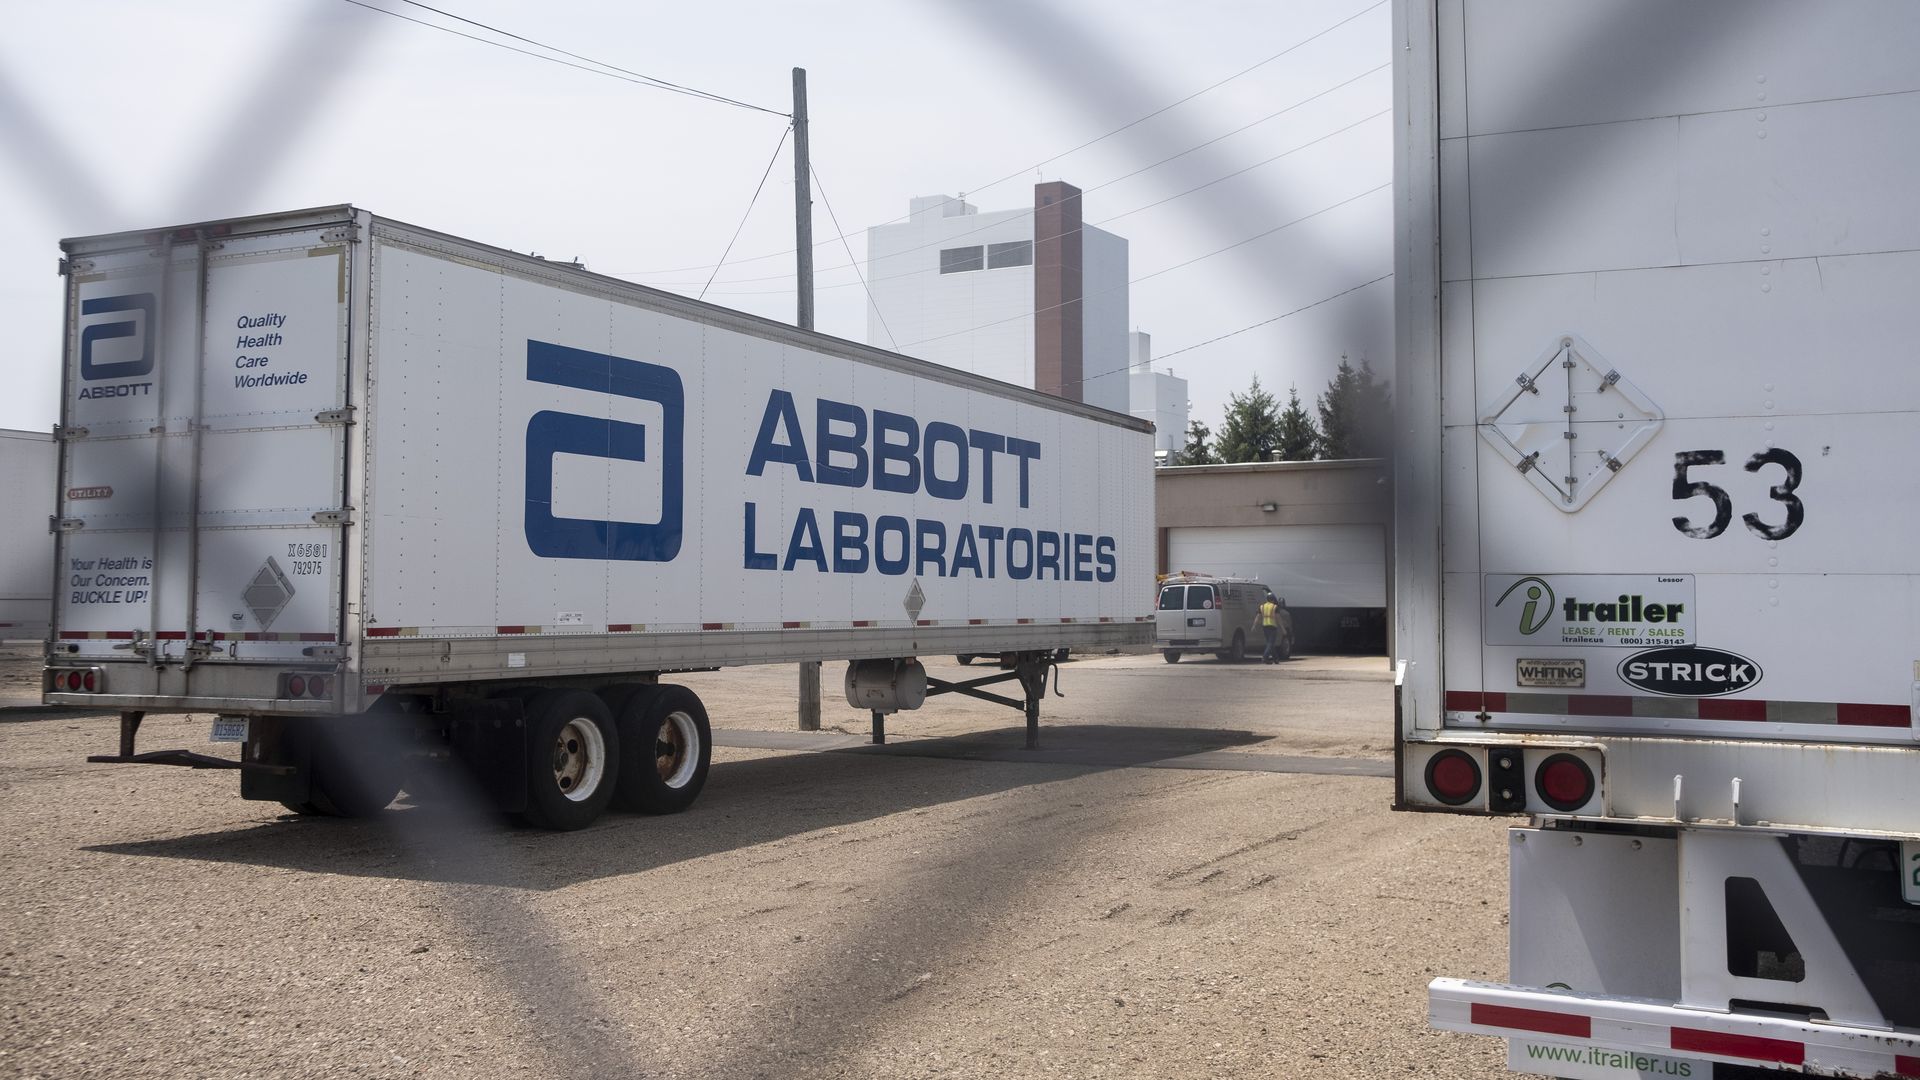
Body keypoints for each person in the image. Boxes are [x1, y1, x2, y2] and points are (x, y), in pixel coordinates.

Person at [1259, 592, 1281, 664]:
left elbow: (1257, 617)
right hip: (1272, 626)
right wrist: (1283, 628)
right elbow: (1278, 618)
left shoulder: (1262, 606)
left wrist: (1254, 625)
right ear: (1273, 599)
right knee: (1270, 643)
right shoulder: (1275, 607)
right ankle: (1265, 657)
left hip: (1265, 626)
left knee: (1270, 643)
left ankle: (1276, 659)